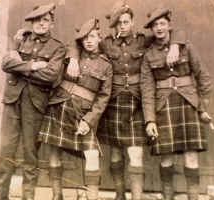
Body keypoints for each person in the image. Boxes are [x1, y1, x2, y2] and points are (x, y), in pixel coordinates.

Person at [66, 1, 187, 200]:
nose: (122, 26)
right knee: (115, 154)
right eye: (118, 23)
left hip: (136, 102)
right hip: (113, 103)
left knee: (135, 152)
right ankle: (120, 195)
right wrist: (72, 58)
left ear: (133, 22)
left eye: (126, 21)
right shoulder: (106, 43)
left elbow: (173, 33)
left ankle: (137, 197)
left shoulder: (142, 41)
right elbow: (77, 42)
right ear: (113, 25)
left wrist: (174, 46)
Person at [0, 3, 66, 200]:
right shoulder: (20, 39)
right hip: (12, 101)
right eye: (37, 20)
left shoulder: (58, 47)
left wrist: (20, 68)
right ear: (32, 22)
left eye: (45, 20)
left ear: (52, 23)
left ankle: (28, 197)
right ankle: (0, 196)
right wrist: (33, 65)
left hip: (34, 104)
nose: (41, 24)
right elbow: (6, 63)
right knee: (6, 150)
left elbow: (51, 76)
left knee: (30, 153)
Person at [140, 8, 213, 200]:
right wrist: (150, 121)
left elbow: (203, 77)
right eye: (155, 25)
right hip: (163, 107)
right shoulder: (148, 55)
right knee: (166, 156)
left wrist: (203, 107)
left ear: (169, 25)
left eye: (162, 23)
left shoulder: (185, 47)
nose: (159, 28)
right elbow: (147, 90)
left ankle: (193, 197)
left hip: (188, 104)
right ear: (152, 29)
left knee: (191, 155)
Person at [37, 18, 113, 200]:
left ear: (99, 38)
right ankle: (57, 195)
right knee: (54, 151)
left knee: (92, 154)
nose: (89, 40)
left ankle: (92, 196)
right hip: (59, 106)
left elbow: (103, 97)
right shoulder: (72, 53)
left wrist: (89, 120)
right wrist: (72, 59)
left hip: (82, 114)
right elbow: (69, 45)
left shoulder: (106, 65)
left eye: (93, 36)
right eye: (85, 37)